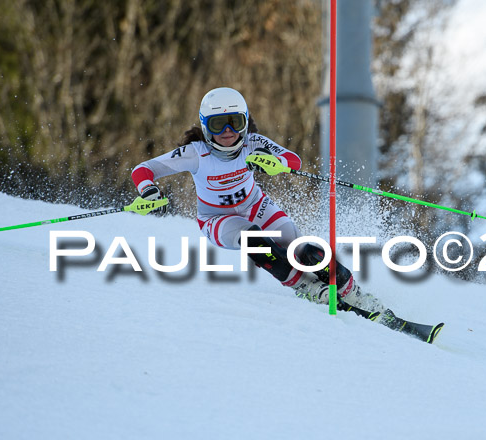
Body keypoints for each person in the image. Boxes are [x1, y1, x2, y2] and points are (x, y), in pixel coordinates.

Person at [131, 87, 384, 314]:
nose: (227, 132)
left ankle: (352, 292)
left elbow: (293, 159)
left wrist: (277, 163)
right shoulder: (196, 153)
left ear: (245, 122)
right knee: (254, 239)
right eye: (218, 124)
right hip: (217, 219)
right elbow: (144, 169)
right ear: (205, 125)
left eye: (234, 123)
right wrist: (147, 189)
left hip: (256, 206)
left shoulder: (253, 144)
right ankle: (308, 288)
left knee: (302, 249)